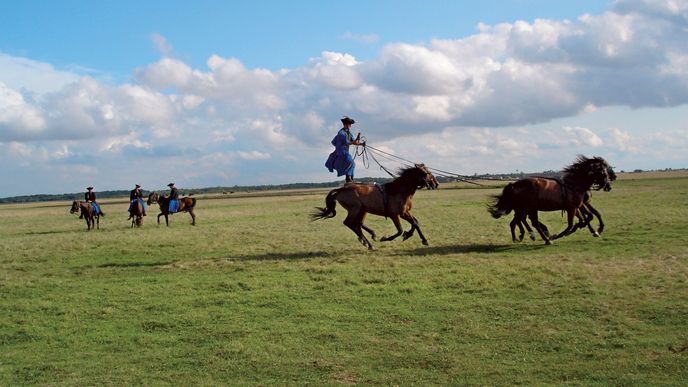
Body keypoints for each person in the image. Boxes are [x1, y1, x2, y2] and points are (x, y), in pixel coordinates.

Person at [325, 116, 363, 183]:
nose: (350, 126)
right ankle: (348, 179)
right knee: (351, 163)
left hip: (345, 151)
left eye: (350, 124)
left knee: (353, 164)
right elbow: (347, 142)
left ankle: (350, 178)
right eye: (349, 124)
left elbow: (354, 141)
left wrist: (361, 144)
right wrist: (354, 142)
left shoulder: (349, 133)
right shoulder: (341, 133)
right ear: (345, 124)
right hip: (341, 152)